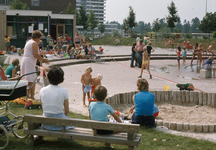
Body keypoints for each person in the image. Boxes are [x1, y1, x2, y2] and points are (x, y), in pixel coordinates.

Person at [40, 66, 73, 130]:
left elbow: (43, 109)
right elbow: (67, 111)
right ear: (61, 78)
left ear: (48, 77)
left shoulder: (42, 90)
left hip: (46, 123)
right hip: (59, 124)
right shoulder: (64, 91)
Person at [20, 30, 49, 99]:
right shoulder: (34, 43)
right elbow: (35, 55)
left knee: (27, 79)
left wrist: (40, 54)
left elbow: (32, 54)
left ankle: (28, 96)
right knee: (32, 79)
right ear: (37, 37)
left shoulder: (28, 42)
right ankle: (32, 96)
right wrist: (44, 60)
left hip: (25, 61)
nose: (39, 40)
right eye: (39, 38)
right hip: (29, 62)